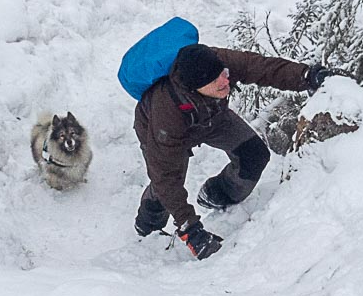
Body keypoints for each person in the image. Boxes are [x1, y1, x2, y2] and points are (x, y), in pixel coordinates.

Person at [133, 42, 332, 260]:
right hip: (163, 132)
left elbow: (261, 67)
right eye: (215, 80)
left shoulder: (217, 63)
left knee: (254, 155)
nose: (225, 80)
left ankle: (216, 195)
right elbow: (165, 177)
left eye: (224, 74)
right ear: (195, 86)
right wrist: (191, 229)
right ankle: (148, 228)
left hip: (212, 117)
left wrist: (306, 75)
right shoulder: (166, 113)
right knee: (168, 183)